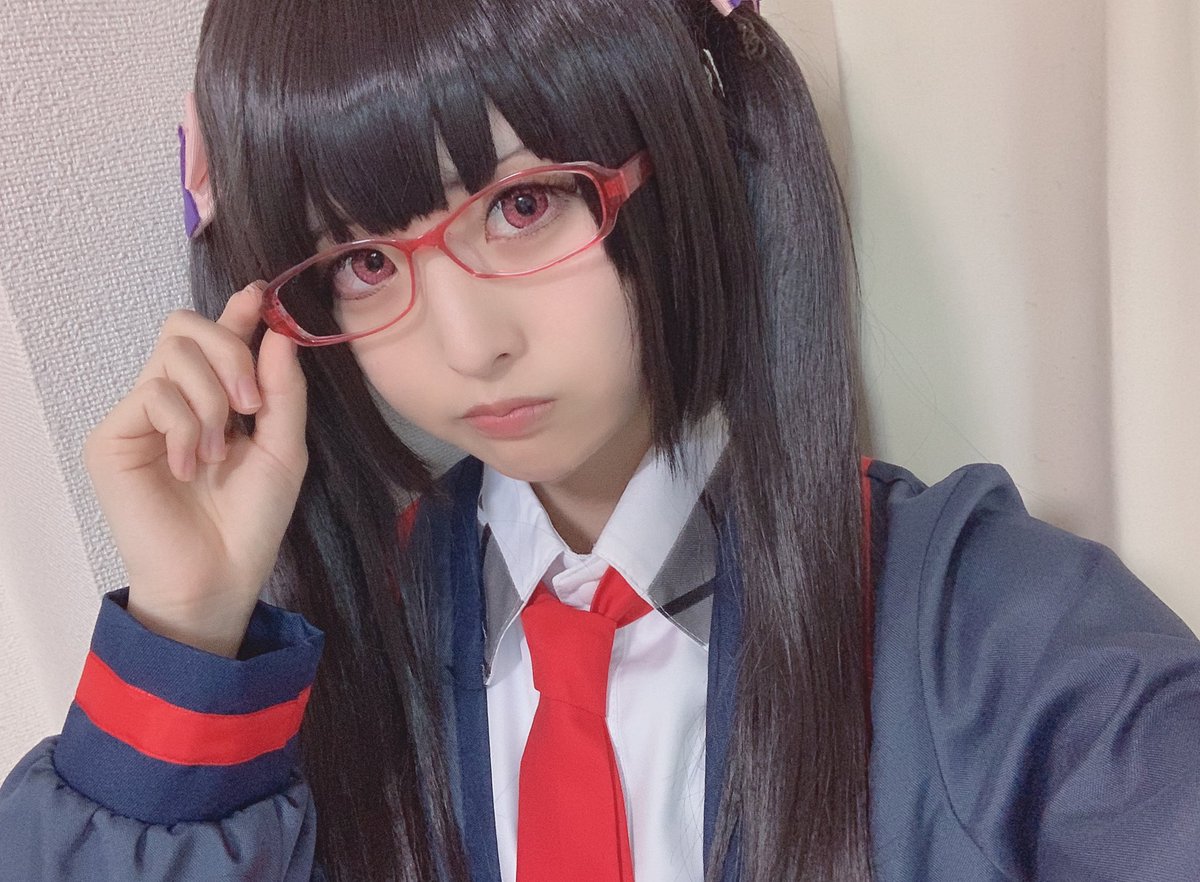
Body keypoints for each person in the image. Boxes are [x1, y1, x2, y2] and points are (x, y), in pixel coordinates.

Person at [1, 0, 1198, 880]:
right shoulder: (338, 680)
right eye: (364, 262)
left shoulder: (990, 638)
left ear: (681, 164)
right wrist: (187, 627)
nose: (467, 343)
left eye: (523, 206)